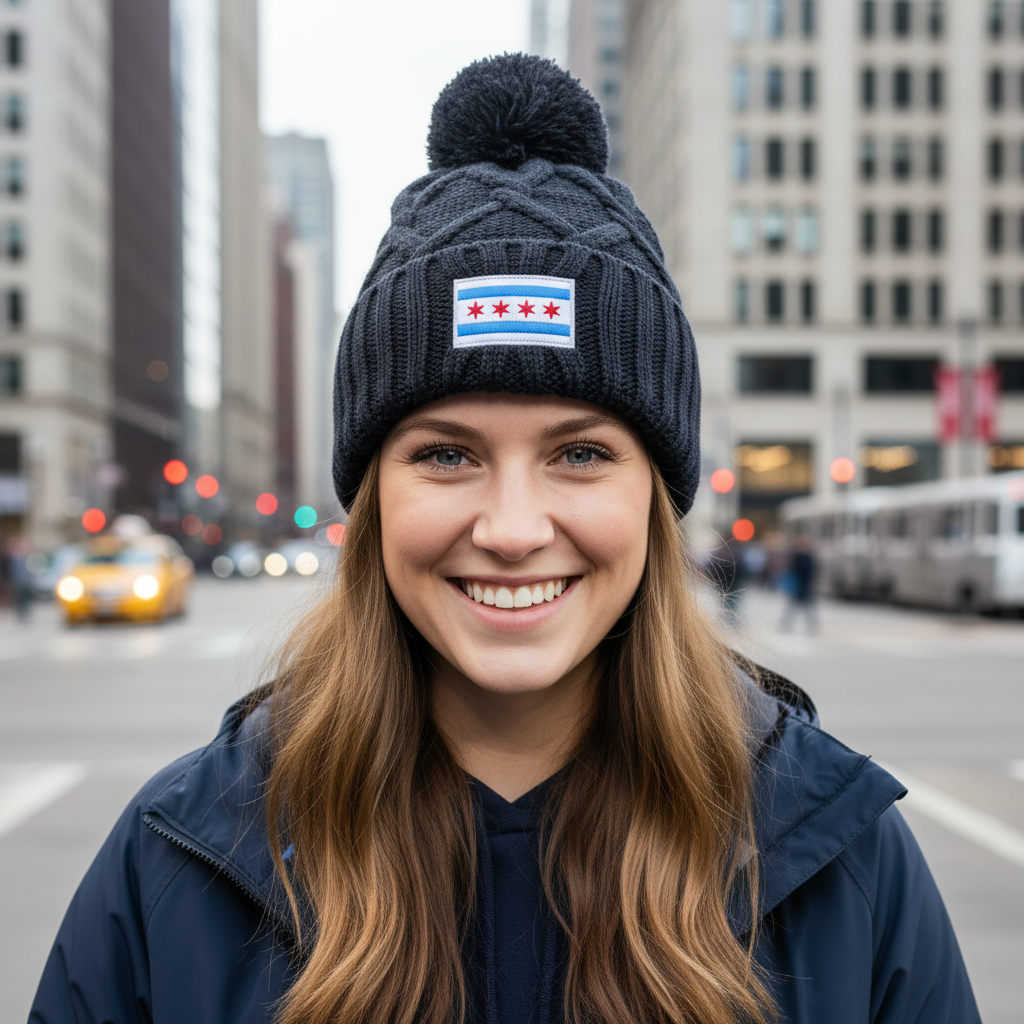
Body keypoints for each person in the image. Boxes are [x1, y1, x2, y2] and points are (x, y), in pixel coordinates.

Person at [29, 55, 979, 1024]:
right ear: (371, 500)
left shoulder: (840, 857)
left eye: (578, 454)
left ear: (656, 495)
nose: (514, 530)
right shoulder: (176, 857)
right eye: (446, 454)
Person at [779, 533, 819, 634]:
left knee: (806, 609)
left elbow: (811, 572)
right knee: (794, 608)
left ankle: (812, 626)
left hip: (804, 587)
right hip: (798, 587)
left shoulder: (805, 557)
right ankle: (785, 625)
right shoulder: (797, 557)